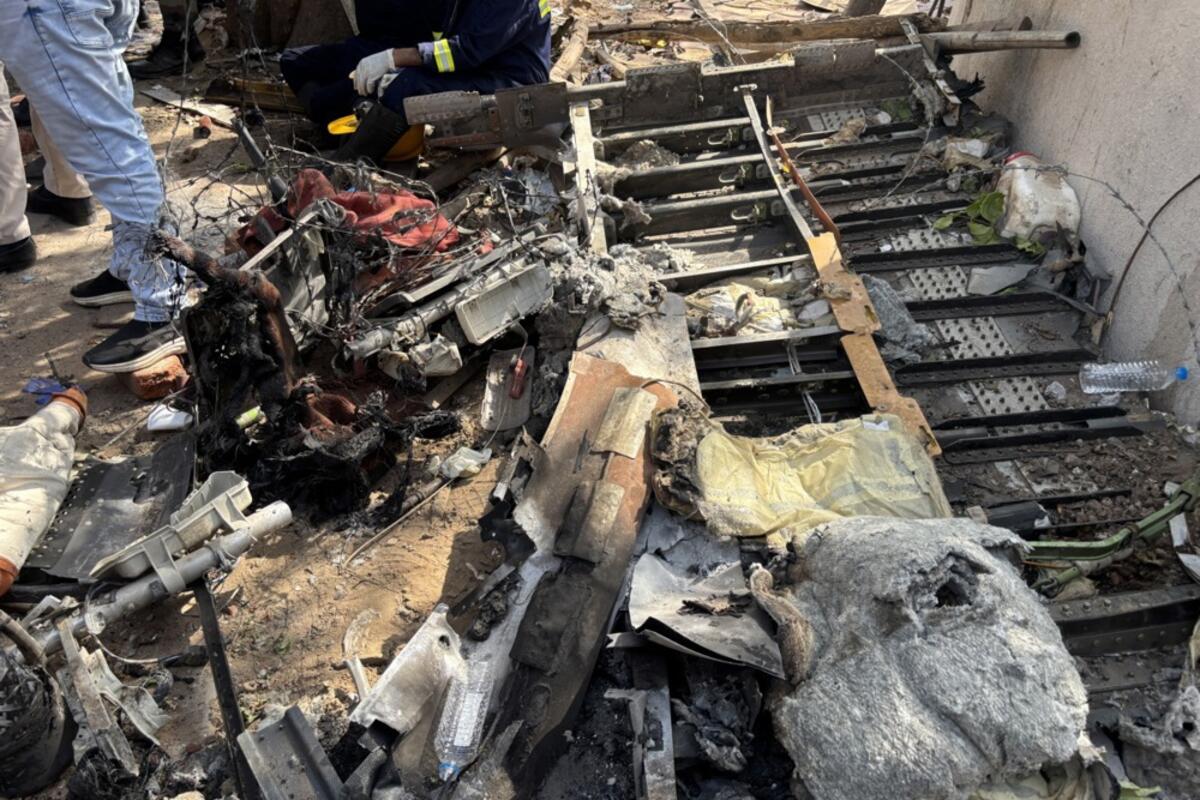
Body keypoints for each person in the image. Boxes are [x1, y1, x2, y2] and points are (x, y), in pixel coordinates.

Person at [0, 0, 189, 374]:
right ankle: (132, 267)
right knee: (114, 127)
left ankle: (164, 307)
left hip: (43, 8)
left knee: (108, 143)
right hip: (58, 9)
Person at [280, 0, 551, 159]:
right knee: (301, 63)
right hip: (477, 66)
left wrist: (396, 58)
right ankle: (334, 129)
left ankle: (350, 160)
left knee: (406, 86)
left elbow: (466, 50)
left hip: (511, 82)